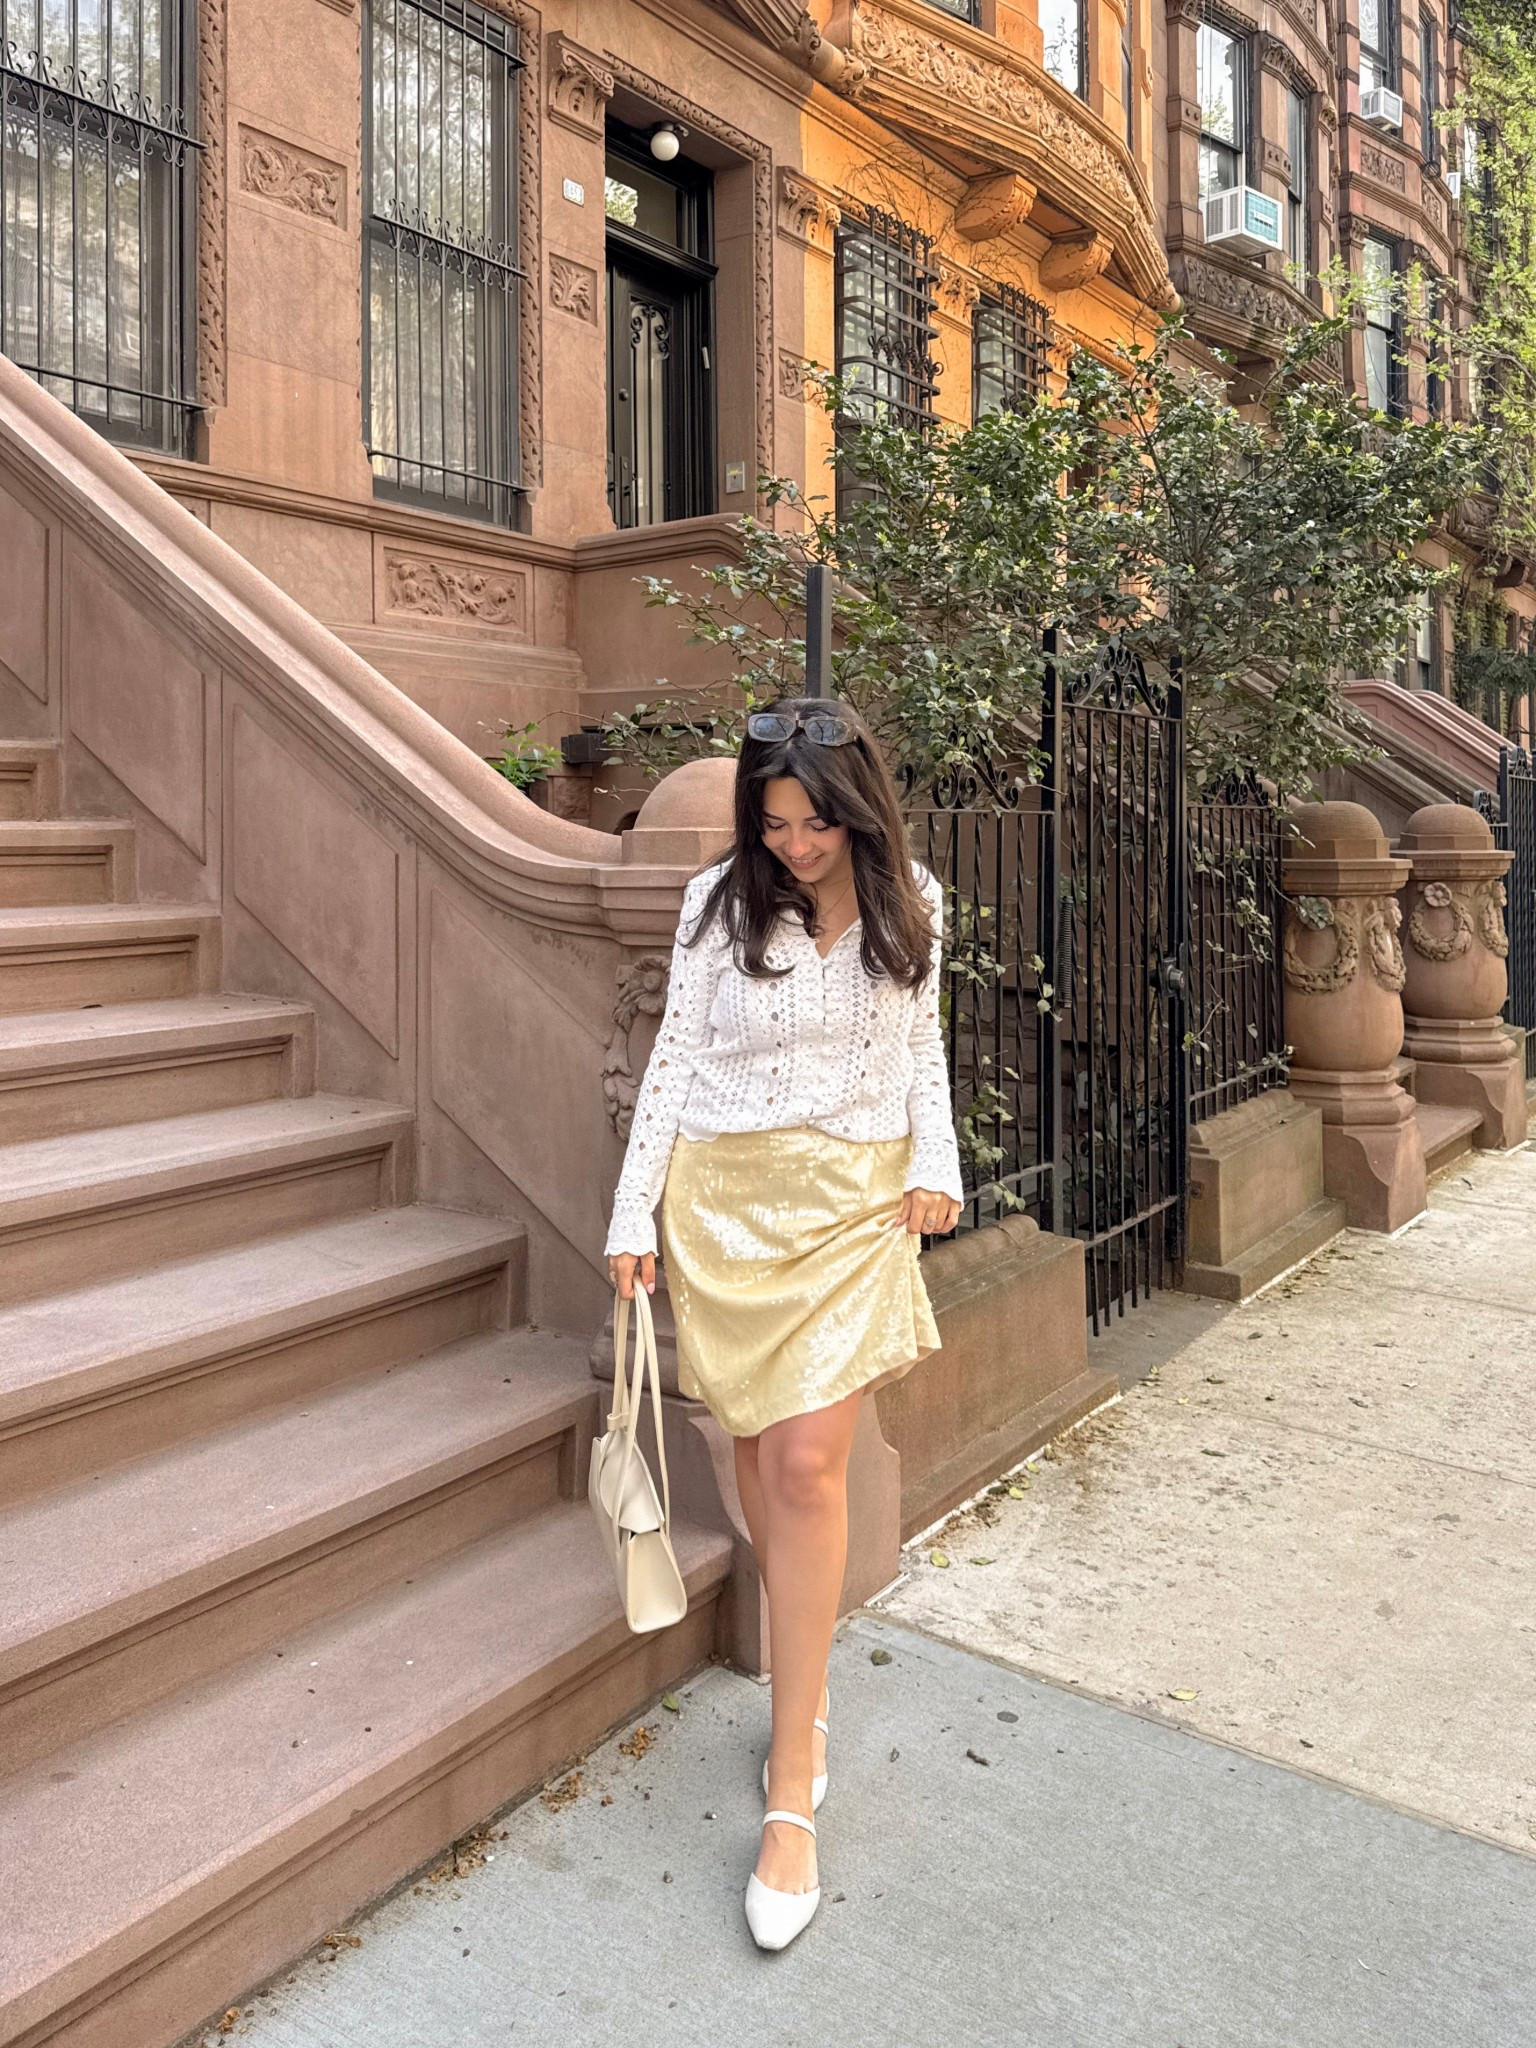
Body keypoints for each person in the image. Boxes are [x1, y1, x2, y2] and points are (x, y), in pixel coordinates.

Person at [604, 695, 964, 1952]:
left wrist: (942, 1162)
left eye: (816, 822)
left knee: (808, 1458)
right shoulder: (715, 904)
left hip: (855, 1201)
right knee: (759, 1457)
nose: (796, 844)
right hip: (725, 1201)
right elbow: (673, 1061)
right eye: (776, 821)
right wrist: (632, 1213)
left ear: (857, 806)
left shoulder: (914, 896)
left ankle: (794, 1780)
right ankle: (801, 1684)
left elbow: (924, 1048)